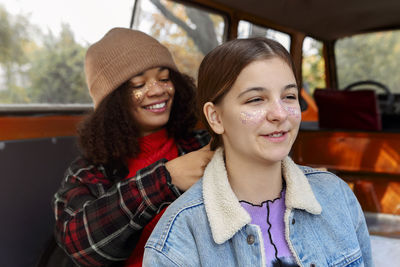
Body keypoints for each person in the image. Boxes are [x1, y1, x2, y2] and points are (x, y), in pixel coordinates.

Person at [143, 37, 373, 267]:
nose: (280, 114)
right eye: (256, 100)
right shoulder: (179, 235)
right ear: (215, 117)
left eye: (289, 97)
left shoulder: (337, 195)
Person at [52, 28, 213, 266]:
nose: (158, 90)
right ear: (113, 102)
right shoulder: (88, 172)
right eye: (139, 83)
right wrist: (166, 179)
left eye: (165, 77)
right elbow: (80, 245)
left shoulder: (203, 144)